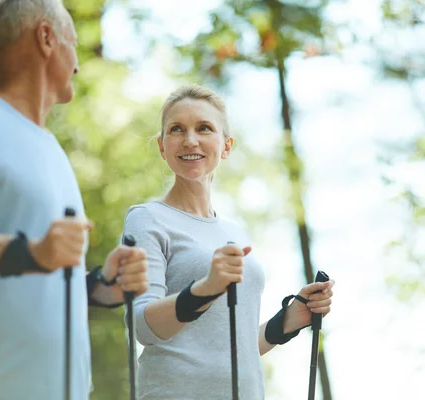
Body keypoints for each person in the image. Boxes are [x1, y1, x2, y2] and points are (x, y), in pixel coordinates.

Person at [0, 1, 148, 399]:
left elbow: (43, 271)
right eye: (71, 43)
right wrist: (35, 253)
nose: (77, 62)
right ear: (46, 38)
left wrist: (104, 285)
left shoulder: (52, 151)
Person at [122, 84, 335, 399]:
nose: (190, 140)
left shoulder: (234, 232)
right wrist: (206, 288)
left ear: (226, 146)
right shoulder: (148, 219)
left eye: (204, 128)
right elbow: (142, 326)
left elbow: (237, 346)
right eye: (176, 129)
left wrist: (289, 320)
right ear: (162, 146)